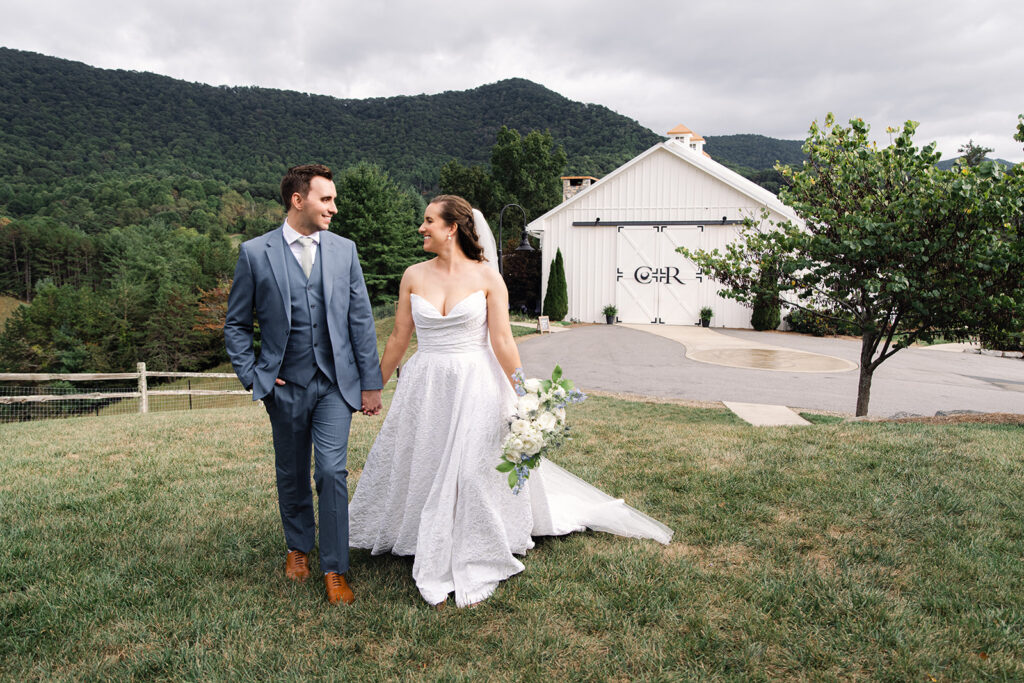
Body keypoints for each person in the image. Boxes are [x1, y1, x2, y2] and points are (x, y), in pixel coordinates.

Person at [349, 195, 671, 609]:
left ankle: (473, 538)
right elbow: (398, 337)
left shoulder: (487, 277)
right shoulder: (413, 274)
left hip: (477, 383)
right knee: (426, 457)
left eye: (428, 221)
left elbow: (502, 340)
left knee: (472, 466)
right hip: (427, 382)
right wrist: (373, 387)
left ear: (452, 228)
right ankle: (420, 532)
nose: (421, 228)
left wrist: (525, 394)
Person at [224, 164, 382, 606]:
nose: (334, 207)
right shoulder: (255, 253)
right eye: (326, 199)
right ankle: (298, 548)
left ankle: (335, 568)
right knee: (292, 472)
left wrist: (370, 383)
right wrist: (253, 373)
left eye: (333, 199)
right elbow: (236, 325)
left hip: (335, 383)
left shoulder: (345, 250)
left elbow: (360, 320)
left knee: (331, 471)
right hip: (284, 383)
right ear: (299, 200)